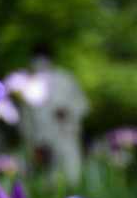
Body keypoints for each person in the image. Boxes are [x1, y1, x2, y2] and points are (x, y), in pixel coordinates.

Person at [24, 44, 89, 186]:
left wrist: (68, 112)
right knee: (45, 182)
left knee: (70, 177)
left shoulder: (65, 79)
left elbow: (83, 106)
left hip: (66, 136)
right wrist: (32, 142)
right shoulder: (30, 84)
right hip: (41, 141)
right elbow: (27, 118)